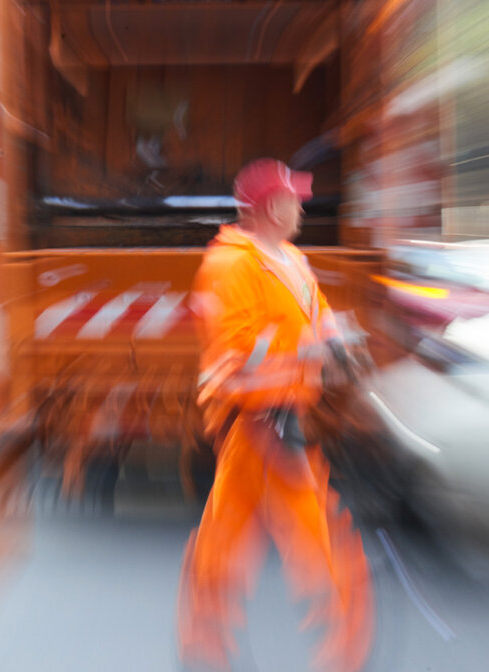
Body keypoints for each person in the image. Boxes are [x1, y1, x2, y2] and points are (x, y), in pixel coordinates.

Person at [177, 158, 374, 671]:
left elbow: (318, 309)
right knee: (307, 527)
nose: (302, 208)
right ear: (269, 207)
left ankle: (205, 639)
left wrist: (338, 342)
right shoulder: (231, 266)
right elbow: (237, 355)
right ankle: (344, 645)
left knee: (235, 530)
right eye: (294, 200)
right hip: (254, 419)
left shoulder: (288, 257)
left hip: (283, 415)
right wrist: (308, 354)